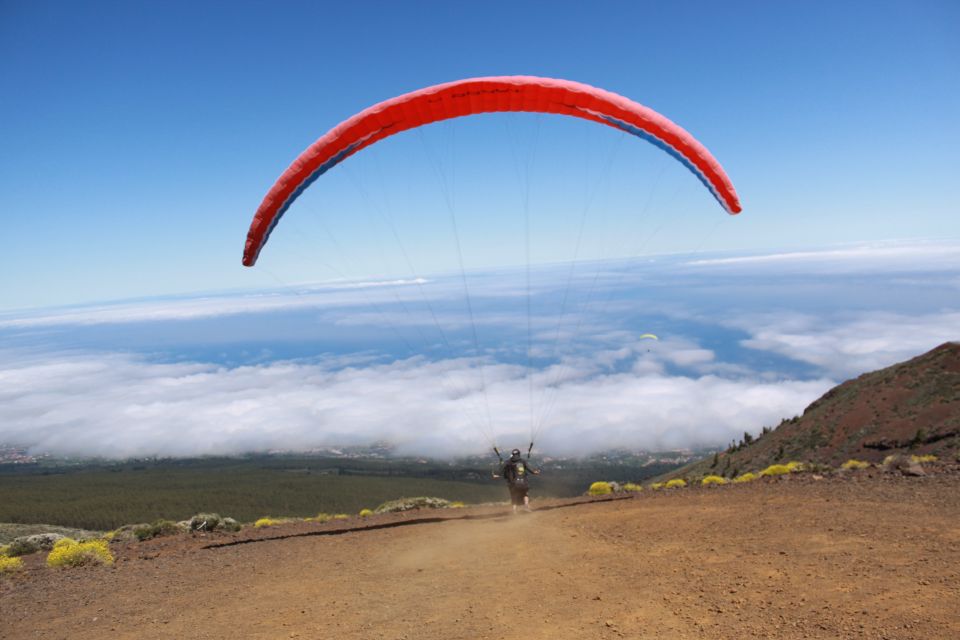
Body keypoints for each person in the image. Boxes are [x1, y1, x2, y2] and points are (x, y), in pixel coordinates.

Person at [493, 448, 541, 513]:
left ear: (512, 455)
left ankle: (514, 510)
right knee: (525, 494)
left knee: (514, 495)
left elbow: (502, 468)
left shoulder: (508, 462)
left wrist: (497, 475)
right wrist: (536, 472)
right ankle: (526, 507)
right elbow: (531, 470)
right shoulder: (523, 461)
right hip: (524, 482)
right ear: (519, 454)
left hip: (513, 483)